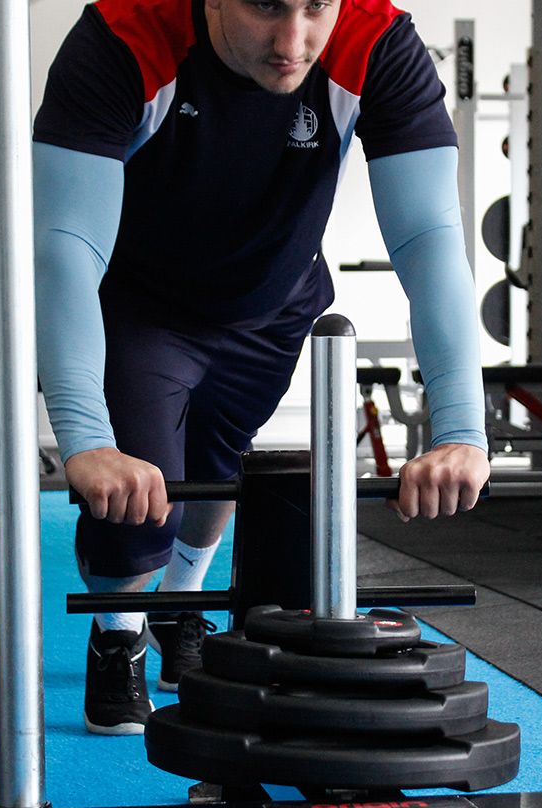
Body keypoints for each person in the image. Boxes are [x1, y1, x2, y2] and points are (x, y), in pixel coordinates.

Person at [32, 0, 488, 737]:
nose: (293, 40)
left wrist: (463, 429)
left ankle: (186, 609)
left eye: (315, 9)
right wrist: (86, 439)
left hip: (273, 301)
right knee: (138, 504)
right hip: (146, 308)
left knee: (219, 465)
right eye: (268, 7)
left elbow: (430, 238)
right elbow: (63, 248)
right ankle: (119, 632)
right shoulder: (125, 36)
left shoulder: (377, 41)